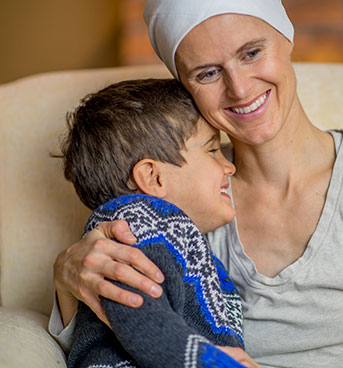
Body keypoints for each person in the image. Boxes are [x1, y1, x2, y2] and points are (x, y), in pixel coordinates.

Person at [50, 0, 343, 367]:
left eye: (251, 53)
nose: (240, 89)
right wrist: (68, 282)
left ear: (286, 36)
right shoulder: (188, 200)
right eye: (207, 73)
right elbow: (121, 338)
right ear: (185, 88)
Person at [58, 78, 259, 368]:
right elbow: (138, 313)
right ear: (153, 178)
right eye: (213, 150)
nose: (229, 166)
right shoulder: (138, 222)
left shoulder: (174, 234)